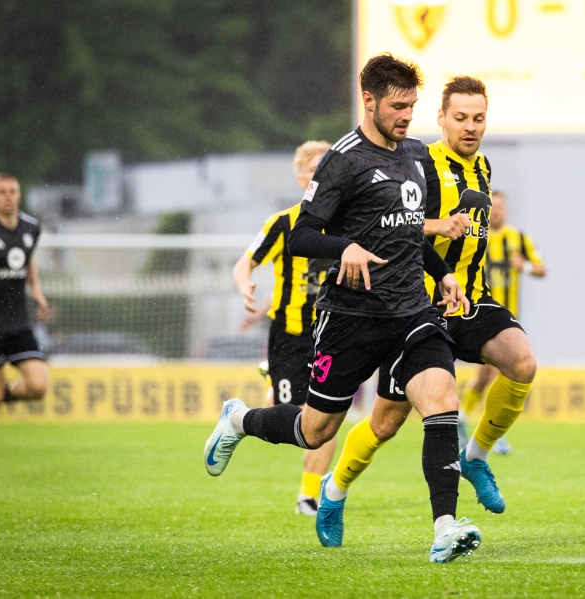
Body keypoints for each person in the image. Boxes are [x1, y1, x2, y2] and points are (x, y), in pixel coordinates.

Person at [204, 54, 481, 563]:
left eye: (411, 106)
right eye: (397, 106)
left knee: (441, 399)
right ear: (369, 101)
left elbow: (408, 230)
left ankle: (446, 527)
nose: (406, 116)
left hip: (411, 311)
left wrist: (443, 272)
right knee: (316, 430)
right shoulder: (343, 160)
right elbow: (302, 235)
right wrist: (345, 247)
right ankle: (239, 420)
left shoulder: (415, 155)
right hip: (350, 316)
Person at [319, 77, 540, 531]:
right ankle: (335, 488)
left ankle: (475, 458)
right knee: (385, 423)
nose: (470, 127)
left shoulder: (483, 166)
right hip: (415, 307)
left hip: (469, 298)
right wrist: (438, 225)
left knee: (522, 361)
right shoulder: (419, 161)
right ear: (441, 118)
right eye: (460, 118)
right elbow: (388, 223)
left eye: (478, 118)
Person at [232, 140, 338, 516]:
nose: (320, 176)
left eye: (327, 168)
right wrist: (244, 284)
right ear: (300, 179)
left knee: (326, 418)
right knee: (288, 417)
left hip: (333, 336)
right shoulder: (282, 223)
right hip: (290, 335)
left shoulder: (351, 221)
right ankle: (268, 387)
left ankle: (308, 496)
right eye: (313, 170)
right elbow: (245, 263)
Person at [460, 190, 546, 452]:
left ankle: (464, 418)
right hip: (478, 314)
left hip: (507, 316)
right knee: (495, 371)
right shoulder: (475, 236)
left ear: (506, 211)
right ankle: (491, 431)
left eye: (500, 207)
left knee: (488, 374)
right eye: (492, 207)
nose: (496, 211)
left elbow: (541, 269)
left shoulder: (518, 238)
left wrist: (525, 266)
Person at [0, 173, 50, 415]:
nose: (8, 197)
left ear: (19, 195)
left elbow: (27, 258)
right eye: (1, 192)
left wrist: (36, 289)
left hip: (17, 323)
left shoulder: (31, 227)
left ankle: (3, 394)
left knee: (38, 386)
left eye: (12, 191)